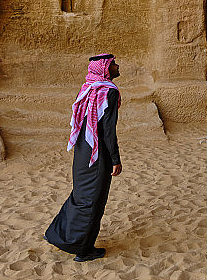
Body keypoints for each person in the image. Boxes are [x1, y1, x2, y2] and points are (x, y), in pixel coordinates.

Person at [45, 53, 122, 262]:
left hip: (82, 150)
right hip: (97, 154)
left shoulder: (88, 87)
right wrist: (115, 159)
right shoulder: (109, 92)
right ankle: (83, 250)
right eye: (113, 64)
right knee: (93, 200)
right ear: (105, 69)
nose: (116, 66)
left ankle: (59, 236)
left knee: (81, 196)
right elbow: (108, 131)